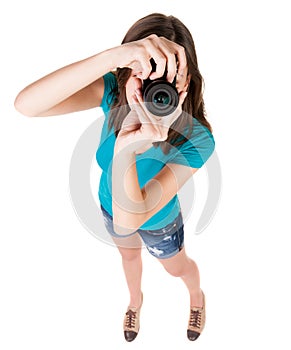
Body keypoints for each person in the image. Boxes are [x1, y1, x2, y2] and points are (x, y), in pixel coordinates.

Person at [14, 13, 215, 342]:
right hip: (109, 204)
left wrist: (128, 148)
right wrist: (115, 57)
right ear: (128, 70)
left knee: (177, 267)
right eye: (147, 71)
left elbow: (131, 219)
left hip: (160, 221)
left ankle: (197, 296)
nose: (155, 86)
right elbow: (26, 105)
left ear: (186, 79)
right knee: (129, 257)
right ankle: (135, 302)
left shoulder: (198, 138)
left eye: (167, 75)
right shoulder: (113, 93)